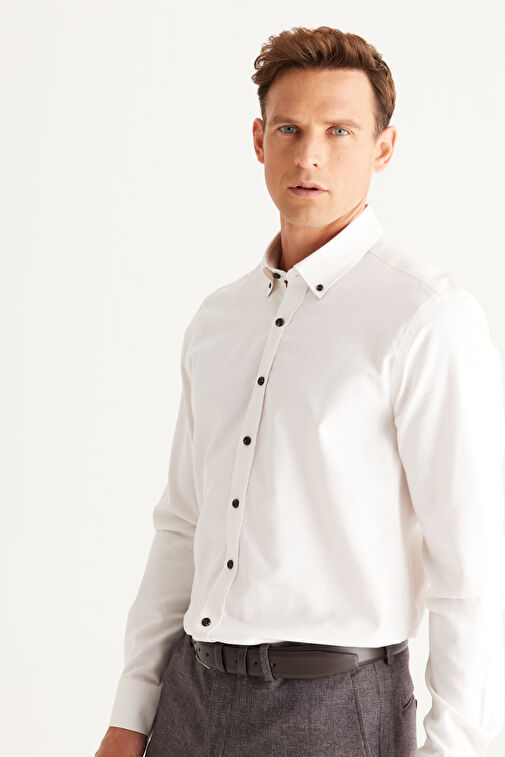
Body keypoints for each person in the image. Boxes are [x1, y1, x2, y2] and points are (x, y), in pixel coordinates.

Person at [95, 25, 505, 757]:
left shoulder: (426, 317)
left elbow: (469, 566)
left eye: (339, 131)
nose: (309, 154)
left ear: (383, 148)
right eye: (289, 128)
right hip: (189, 698)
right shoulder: (218, 320)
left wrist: (454, 748)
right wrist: (130, 714)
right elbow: (182, 524)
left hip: (334, 710)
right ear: (259, 140)